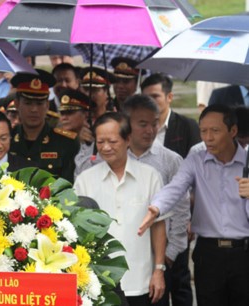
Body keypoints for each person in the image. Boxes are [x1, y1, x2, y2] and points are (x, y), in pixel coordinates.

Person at [138, 104, 249, 306]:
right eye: (203, 131)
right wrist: (157, 207)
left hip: (244, 253)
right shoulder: (196, 158)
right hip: (209, 253)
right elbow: (176, 186)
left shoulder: (247, 162)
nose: (208, 137)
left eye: (215, 131)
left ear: (232, 131)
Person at [74, 112, 166, 305]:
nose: (106, 147)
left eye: (112, 141)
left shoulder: (150, 176)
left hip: (141, 279)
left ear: (128, 139)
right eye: (100, 142)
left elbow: (158, 226)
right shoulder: (85, 180)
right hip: (100, 282)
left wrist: (159, 269)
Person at [123, 95, 191, 306]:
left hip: (159, 259)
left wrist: (168, 258)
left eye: (155, 123)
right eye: (142, 124)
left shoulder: (170, 160)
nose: (150, 130)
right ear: (126, 125)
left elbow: (181, 212)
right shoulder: (114, 157)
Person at [9, 71, 79, 183]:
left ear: (47, 105)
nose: (34, 109)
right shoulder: (8, 139)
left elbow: (68, 185)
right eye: (28, 103)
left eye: (39, 103)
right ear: (17, 104)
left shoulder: (66, 142)